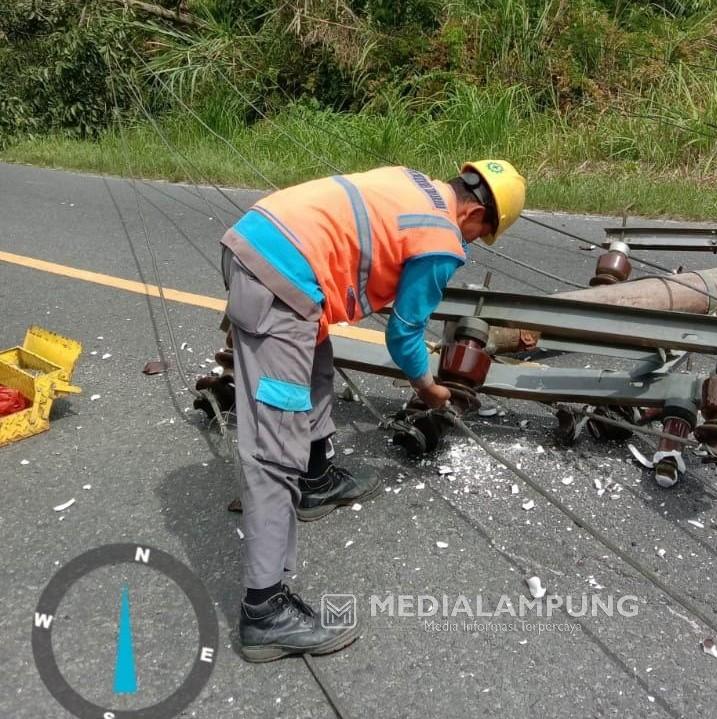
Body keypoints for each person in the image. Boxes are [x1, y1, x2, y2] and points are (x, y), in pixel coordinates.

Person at [219, 160, 526, 662]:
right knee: (275, 445)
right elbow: (403, 334)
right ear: (474, 212)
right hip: (276, 278)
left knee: (316, 357)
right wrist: (429, 389)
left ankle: (315, 481)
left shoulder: (413, 182)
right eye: (479, 233)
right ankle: (265, 612)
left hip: (265, 245)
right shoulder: (440, 239)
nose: (469, 243)